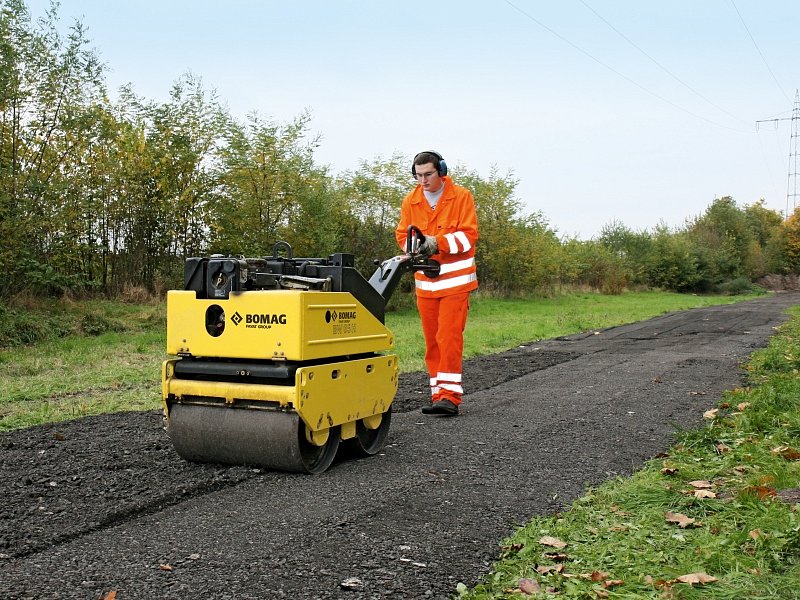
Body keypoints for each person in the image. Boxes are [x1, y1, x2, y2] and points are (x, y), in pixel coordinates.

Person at [394, 151, 479, 416]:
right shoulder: (412, 200)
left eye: (428, 174)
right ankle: (437, 395)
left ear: (440, 171)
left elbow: (469, 236)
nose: (423, 180)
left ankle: (450, 398)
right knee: (432, 341)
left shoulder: (461, 197)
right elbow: (403, 234)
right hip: (426, 285)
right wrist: (415, 246)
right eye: (418, 175)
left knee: (449, 338)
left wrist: (437, 243)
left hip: (455, 284)